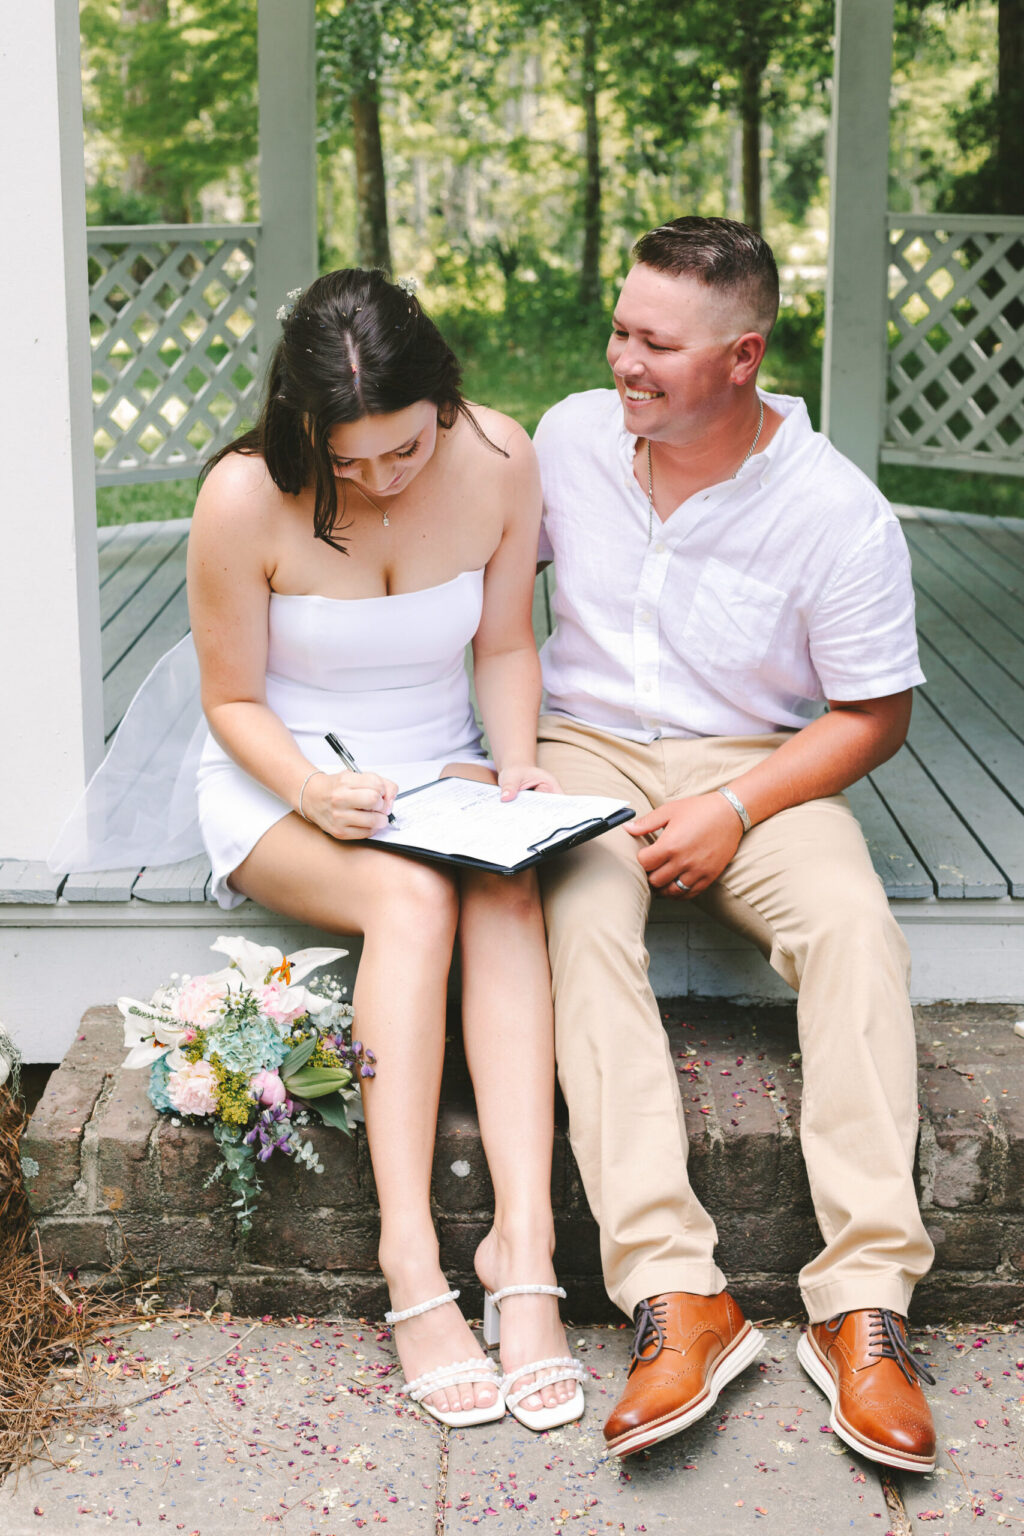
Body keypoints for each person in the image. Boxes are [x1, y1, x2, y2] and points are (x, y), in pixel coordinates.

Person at [53, 269, 585, 1434]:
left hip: (442, 770)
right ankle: (409, 1266)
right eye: (351, 461)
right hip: (280, 784)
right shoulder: (243, 498)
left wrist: (510, 763)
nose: (383, 478)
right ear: (300, 421)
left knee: (506, 894)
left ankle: (523, 1246)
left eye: (404, 450)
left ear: (442, 396)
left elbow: (503, 643)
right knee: (413, 906)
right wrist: (311, 787)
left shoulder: (499, 455)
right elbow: (233, 700)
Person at [532, 217, 936, 1470]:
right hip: (580, 746)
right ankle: (677, 1295)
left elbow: (875, 712)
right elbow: (479, 584)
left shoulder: (836, 513)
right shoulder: (563, 441)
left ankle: (863, 1307)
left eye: (656, 343)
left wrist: (740, 808)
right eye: (619, 329)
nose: (625, 361)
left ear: (743, 355)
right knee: (580, 925)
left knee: (856, 932)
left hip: (756, 767)